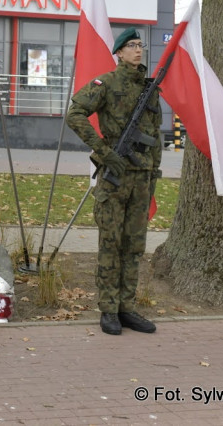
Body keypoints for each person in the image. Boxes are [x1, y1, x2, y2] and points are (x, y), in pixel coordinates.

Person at [66, 28, 162, 336]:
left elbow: (155, 136)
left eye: (140, 45)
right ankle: (108, 310)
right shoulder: (105, 83)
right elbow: (76, 114)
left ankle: (127, 307)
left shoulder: (150, 89)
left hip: (141, 178)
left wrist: (153, 173)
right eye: (131, 46)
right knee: (110, 244)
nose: (138, 50)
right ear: (119, 53)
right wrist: (104, 152)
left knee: (134, 246)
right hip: (115, 177)